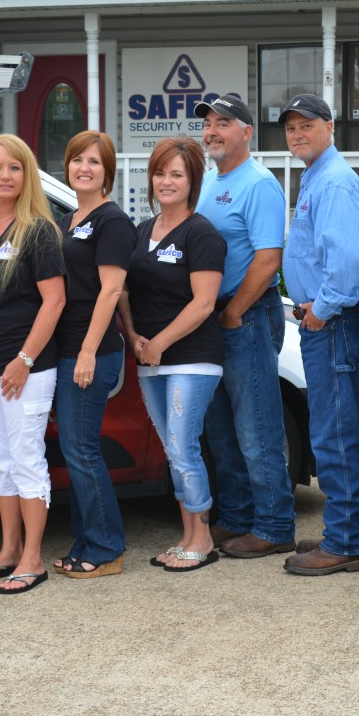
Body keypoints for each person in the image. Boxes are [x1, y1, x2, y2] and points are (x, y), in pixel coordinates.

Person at [0, 134, 66, 595]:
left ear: (27, 176)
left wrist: (24, 359)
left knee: (26, 461)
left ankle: (32, 559)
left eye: (15, 168)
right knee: (1, 463)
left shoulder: (38, 230)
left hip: (27, 369)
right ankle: (6, 551)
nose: (5, 176)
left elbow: (54, 300)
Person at [192, 93, 297, 559]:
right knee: (220, 427)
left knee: (256, 426)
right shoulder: (211, 180)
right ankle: (236, 517)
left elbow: (268, 258)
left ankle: (274, 525)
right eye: (209, 124)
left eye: (223, 123)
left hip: (246, 316)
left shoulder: (259, 184)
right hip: (211, 318)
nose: (212, 131)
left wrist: (234, 312)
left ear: (246, 132)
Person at [118, 137, 227, 572]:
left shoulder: (201, 234)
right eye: (160, 173)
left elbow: (204, 303)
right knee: (171, 450)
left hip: (192, 359)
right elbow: (124, 291)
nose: (166, 181)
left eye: (176, 174)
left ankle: (202, 537)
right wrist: (134, 337)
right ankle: (185, 535)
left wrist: (160, 343)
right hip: (150, 359)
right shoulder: (143, 231)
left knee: (184, 448)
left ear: (192, 181)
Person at [279, 93, 359, 576]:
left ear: (330, 126)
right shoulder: (317, 176)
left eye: (307, 125)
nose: (298, 134)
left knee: (334, 431)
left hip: (331, 323)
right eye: (291, 127)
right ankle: (349, 531)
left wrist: (321, 308)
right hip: (323, 320)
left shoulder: (334, 182)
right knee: (329, 428)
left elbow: (348, 259)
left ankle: (345, 542)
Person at [51, 130, 135, 579]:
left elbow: (110, 292)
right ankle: (86, 541)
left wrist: (86, 351)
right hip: (67, 347)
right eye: (77, 159)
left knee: (82, 448)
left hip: (93, 350)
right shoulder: (68, 218)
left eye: (95, 162)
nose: (84, 167)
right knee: (75, 448)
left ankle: (106, 549)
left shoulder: (111, 221)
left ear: (108, 173)